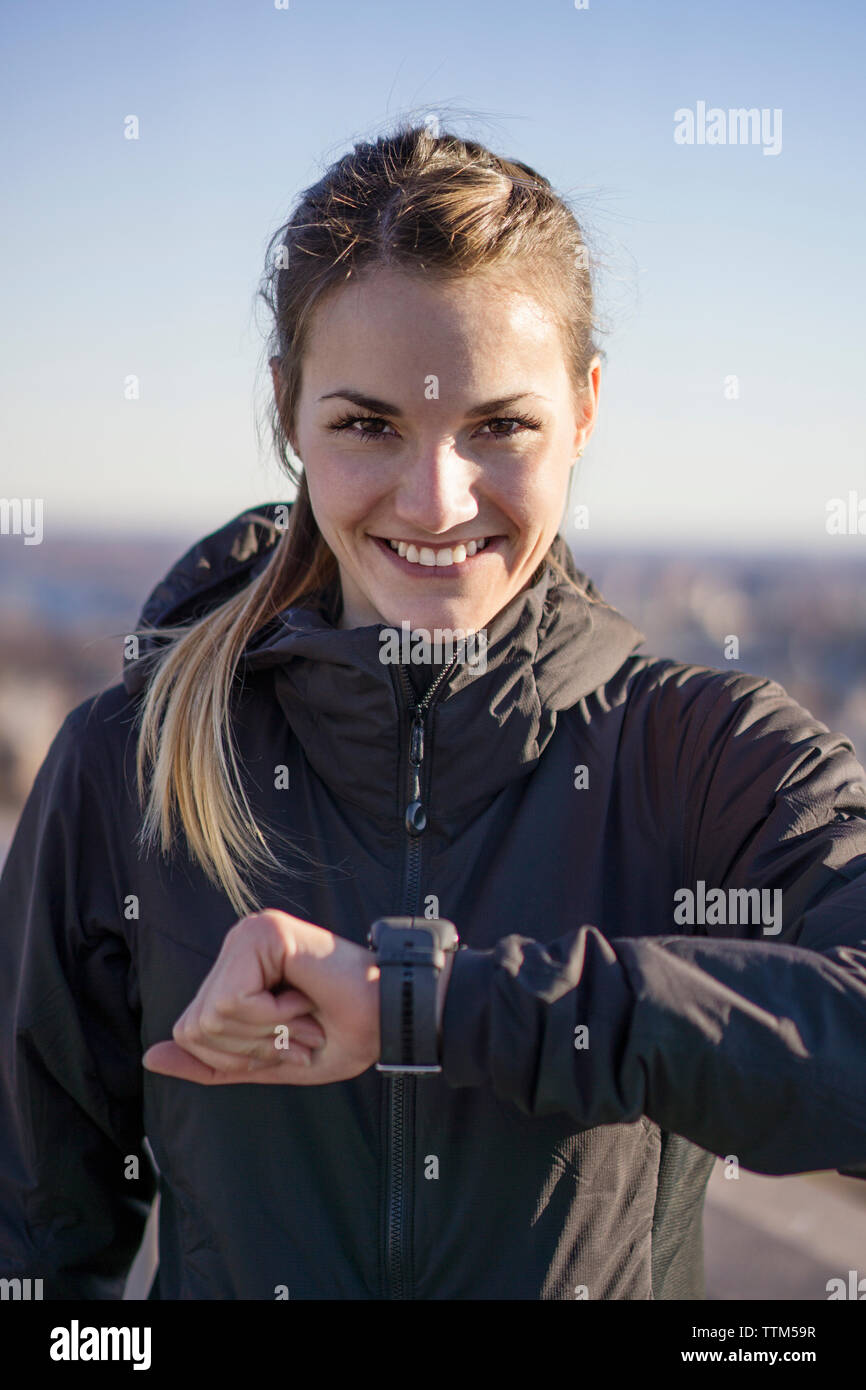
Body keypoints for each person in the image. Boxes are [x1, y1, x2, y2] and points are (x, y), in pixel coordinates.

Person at [1, 122, 865, 1303]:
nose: (435, 499)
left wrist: (432, 1003)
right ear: (287, 413)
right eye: (367, 425)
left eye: (499, 425)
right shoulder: (132, 763)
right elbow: (29, 1239)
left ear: (586, 410)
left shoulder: (707, 757)